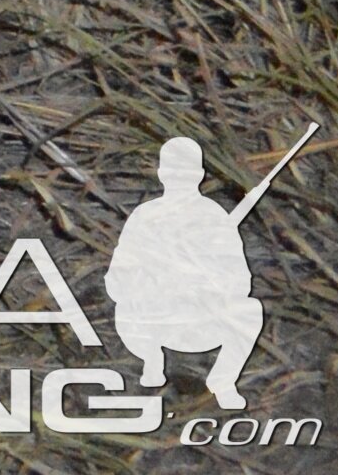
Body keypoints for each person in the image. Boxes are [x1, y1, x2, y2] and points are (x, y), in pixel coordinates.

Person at [106, 138, 266, 410]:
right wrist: (152, 282)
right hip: (152, 321)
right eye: (173, 171)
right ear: (161, 174)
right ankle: (151, 359)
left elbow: (241, 280)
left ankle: (223, 381)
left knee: (250, 311)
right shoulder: (146, 216)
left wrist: (209, 283)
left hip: (201, 321)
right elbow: (117, 277)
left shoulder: (214, 217)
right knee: (126, 307)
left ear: (200, 175)